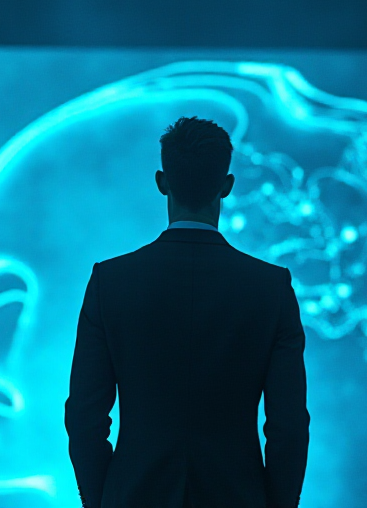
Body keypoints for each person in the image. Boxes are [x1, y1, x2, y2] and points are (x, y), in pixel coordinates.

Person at [65, 116, 309, 508]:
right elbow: (289, 428)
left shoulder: (111, 282)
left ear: (162, 182)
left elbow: (84, 419)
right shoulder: (270, 289)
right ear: (226, 187)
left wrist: (105, 501)